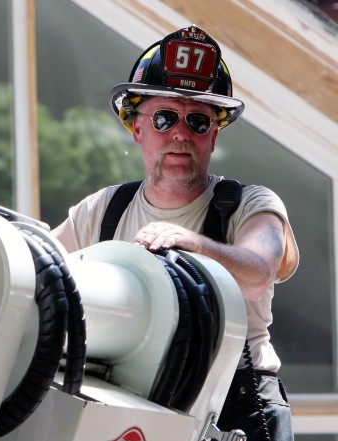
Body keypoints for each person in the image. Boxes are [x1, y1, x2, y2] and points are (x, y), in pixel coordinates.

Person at [52, 25, 299, 441]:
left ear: (214, 136)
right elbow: (44, 268)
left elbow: (258, 274)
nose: (181, 133)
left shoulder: (251, 205)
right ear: (137, 129)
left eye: (198, 121)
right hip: (133, 399)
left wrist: (190, 243)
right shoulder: (101, 210)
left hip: (238, 408)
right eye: (165, 118)